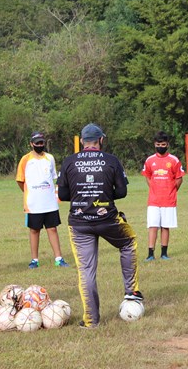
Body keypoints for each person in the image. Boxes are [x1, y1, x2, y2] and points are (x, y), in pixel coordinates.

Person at [57, 123, 143, 328]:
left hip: (79, 223)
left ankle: (91, 321)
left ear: (82, 141)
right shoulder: (111, 160)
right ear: (101, 140)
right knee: (129, 242)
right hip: (108, 220)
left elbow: (62, 195)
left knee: (86, 270)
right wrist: (103, 193)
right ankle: (132, 292)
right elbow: (122, 192)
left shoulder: (69, 162)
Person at [16, 131, 69, 269]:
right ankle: (34, 260)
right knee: (34, 230)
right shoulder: (25, 159)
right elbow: (20, 180)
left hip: (49, 202)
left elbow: (53, 178)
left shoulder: (50, 158)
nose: (40, 145)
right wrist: (30, 192)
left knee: (52, 228)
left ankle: (59, 258)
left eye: (41, 142)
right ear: (31, 144)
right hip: (33, 203)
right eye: (37, 143)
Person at [141, 131, 185, 261]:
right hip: (154, 200)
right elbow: (148, 176)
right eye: (158, 144)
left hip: (169, 200)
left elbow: (179, 179)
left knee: (165, 226)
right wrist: (154, 188)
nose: (161, 146)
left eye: (163, 144)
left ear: (167, 145)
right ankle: (150, 254)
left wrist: (171, 190)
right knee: (153, 226)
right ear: (155, 144)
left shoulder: (174, 160)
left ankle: (164, 253)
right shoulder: (150, 160)